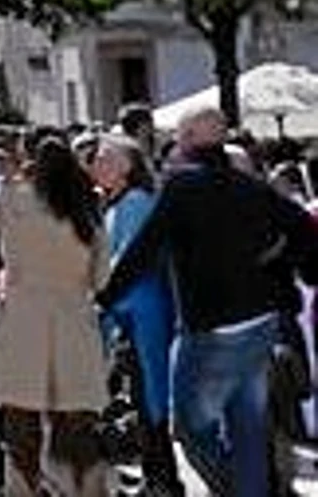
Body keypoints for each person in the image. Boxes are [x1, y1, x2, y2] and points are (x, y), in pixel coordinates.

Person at [101, 108, 318, 497]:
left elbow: (143, 250)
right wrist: (278, 262)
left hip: (211, 328)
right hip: (259, 320)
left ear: (185, 141)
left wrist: (104, 298)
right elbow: (303, 228)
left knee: (188, 429)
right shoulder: (250, 185)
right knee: (247, 427)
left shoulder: (181, 187)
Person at [0, 136, 111, 496]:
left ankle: (22, 491)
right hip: (74, 321)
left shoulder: (9, 198)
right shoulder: (87, 203)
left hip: (20, 320)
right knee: (76, 425)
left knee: (21, 425)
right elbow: (100, 277)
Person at [89, 132, 181, 495]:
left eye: (104, 158)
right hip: (131, 313)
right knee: (142, 398)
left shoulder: (137, 202)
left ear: (126, 165)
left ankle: (162, 478)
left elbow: (129, 262)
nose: (96, 165)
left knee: (151, 398)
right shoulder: (119, 204)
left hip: (144, 314)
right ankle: (156, 475)